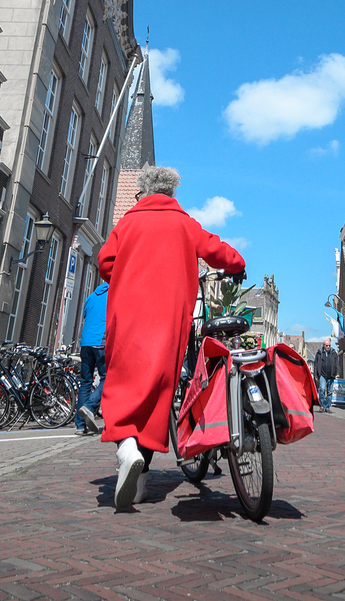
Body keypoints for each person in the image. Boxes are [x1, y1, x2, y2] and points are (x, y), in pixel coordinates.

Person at [97, 165, 245, 510]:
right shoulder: (183, 222)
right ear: (172, 193)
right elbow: (215, 249)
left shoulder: (128, 223)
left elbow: (106, 263)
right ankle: (138, 483)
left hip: (129, 314)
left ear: (144, 193)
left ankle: (126, 449)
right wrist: (237, 264)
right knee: (157, 391)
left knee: (122, 382)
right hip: (168, 319)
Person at [76, 282, 108, 435]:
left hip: (86, 342)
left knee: (85, 382)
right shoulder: (114, 295)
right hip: (101, 342)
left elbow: (86, 316)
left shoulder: (91, 297)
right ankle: (89, 407)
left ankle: (80, 426)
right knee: (107, 379)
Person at [313, 338, 338, 413]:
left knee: (330, 392)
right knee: (322, 390)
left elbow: (337, 364)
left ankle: (327, 407)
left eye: (329, 345)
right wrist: (316, 375)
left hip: (331, 375)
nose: (328, 347)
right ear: (324, 345)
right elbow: (316, 365)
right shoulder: (319, 353)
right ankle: (321, 406)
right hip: (322, 375)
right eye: (327, 345)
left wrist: (337, 373)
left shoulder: (333, 353)